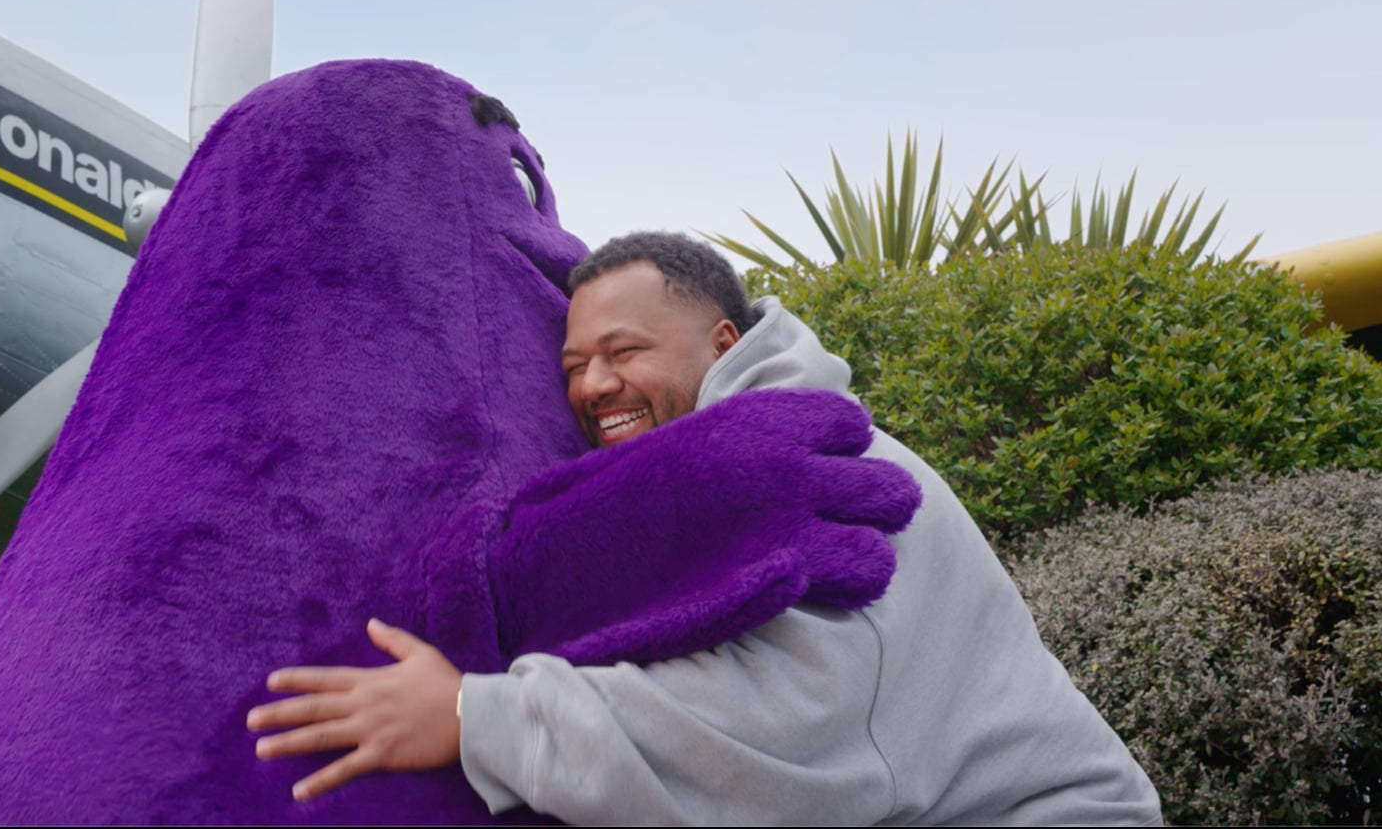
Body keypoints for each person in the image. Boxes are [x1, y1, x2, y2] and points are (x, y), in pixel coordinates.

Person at [249, 232, 1163, 825]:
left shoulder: (829, 469)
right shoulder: (706, 478)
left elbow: (786, 743)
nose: (592, 386)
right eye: (573, 364)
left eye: (625, 352)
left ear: (723, 345)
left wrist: (471, 715)